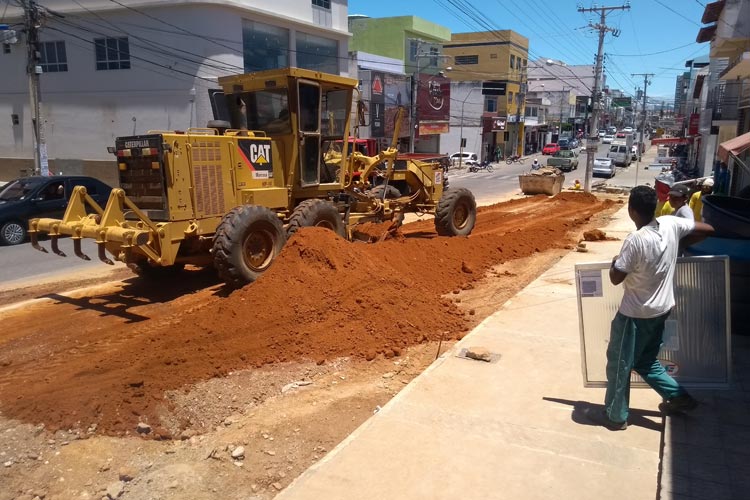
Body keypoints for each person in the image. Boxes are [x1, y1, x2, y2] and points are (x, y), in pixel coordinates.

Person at [582, 185, 714, 430]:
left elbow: (615, 277)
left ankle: (614, 416)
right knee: (646, 362)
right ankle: (679, 397)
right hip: (662, 310)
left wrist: (615, 262)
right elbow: (708, 229)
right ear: (654, 207)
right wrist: (680, 246)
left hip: (634, 315)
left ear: (631, 210)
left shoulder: (636, 240)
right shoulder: (670, 224)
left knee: (620, 363)